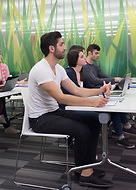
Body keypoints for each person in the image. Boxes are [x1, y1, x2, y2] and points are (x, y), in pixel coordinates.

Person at [28, 31, 113, 188]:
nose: (64, 47)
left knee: (93, 122)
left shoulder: (58, 69)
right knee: (82, 130)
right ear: (51, 48)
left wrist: (100, 90)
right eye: (61, 44)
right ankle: (86, 174)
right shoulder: (41, 69)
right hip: (40, 119)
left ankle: (82, 169)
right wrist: (93, 103)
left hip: (53, 112)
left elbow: (77, 91)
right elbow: (61, 98)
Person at [83, 44, 136, 149]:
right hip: (92, 95)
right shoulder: (85, 68)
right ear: (89, 53)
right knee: (114, 108)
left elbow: (106, 77)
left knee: (117, 104)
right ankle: (123, 133)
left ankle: (125, 127)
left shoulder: (95, 67)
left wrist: (118, 79)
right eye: (96, 53)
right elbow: (94, 81)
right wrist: (114, 80)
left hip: (100, 92)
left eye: (98, 53)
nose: (98, 55)